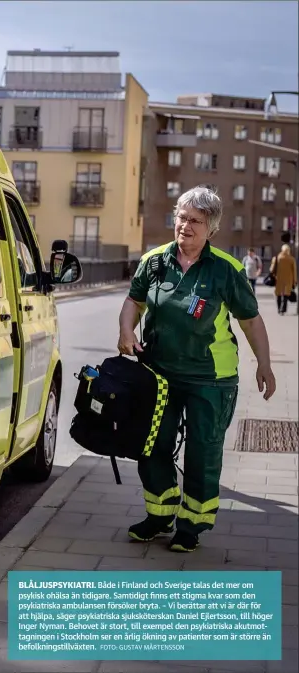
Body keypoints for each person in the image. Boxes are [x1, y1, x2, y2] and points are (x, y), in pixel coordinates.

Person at [118, 186, 276, 553]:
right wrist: (126, 329)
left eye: (195, 221)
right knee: (152, 445)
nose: (185, 226)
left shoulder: (227, 270)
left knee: (203, 451)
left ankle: (192, 525)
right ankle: (159, 515)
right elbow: (134, 301)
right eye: (181, 217)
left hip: (211, 378)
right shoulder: (154, 261)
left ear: (211, 229)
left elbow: (251, 321)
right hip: (158, 373)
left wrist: (263, 363)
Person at [270, 244, 297, 315]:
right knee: (286, 294)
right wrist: (295, 281)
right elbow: (294, 271)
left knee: (278, 294)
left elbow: (272, 269)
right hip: (289, 279)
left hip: (278, 279)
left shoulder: (277, 257)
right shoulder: (291, 259)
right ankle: (283, 309)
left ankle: (279, 308)